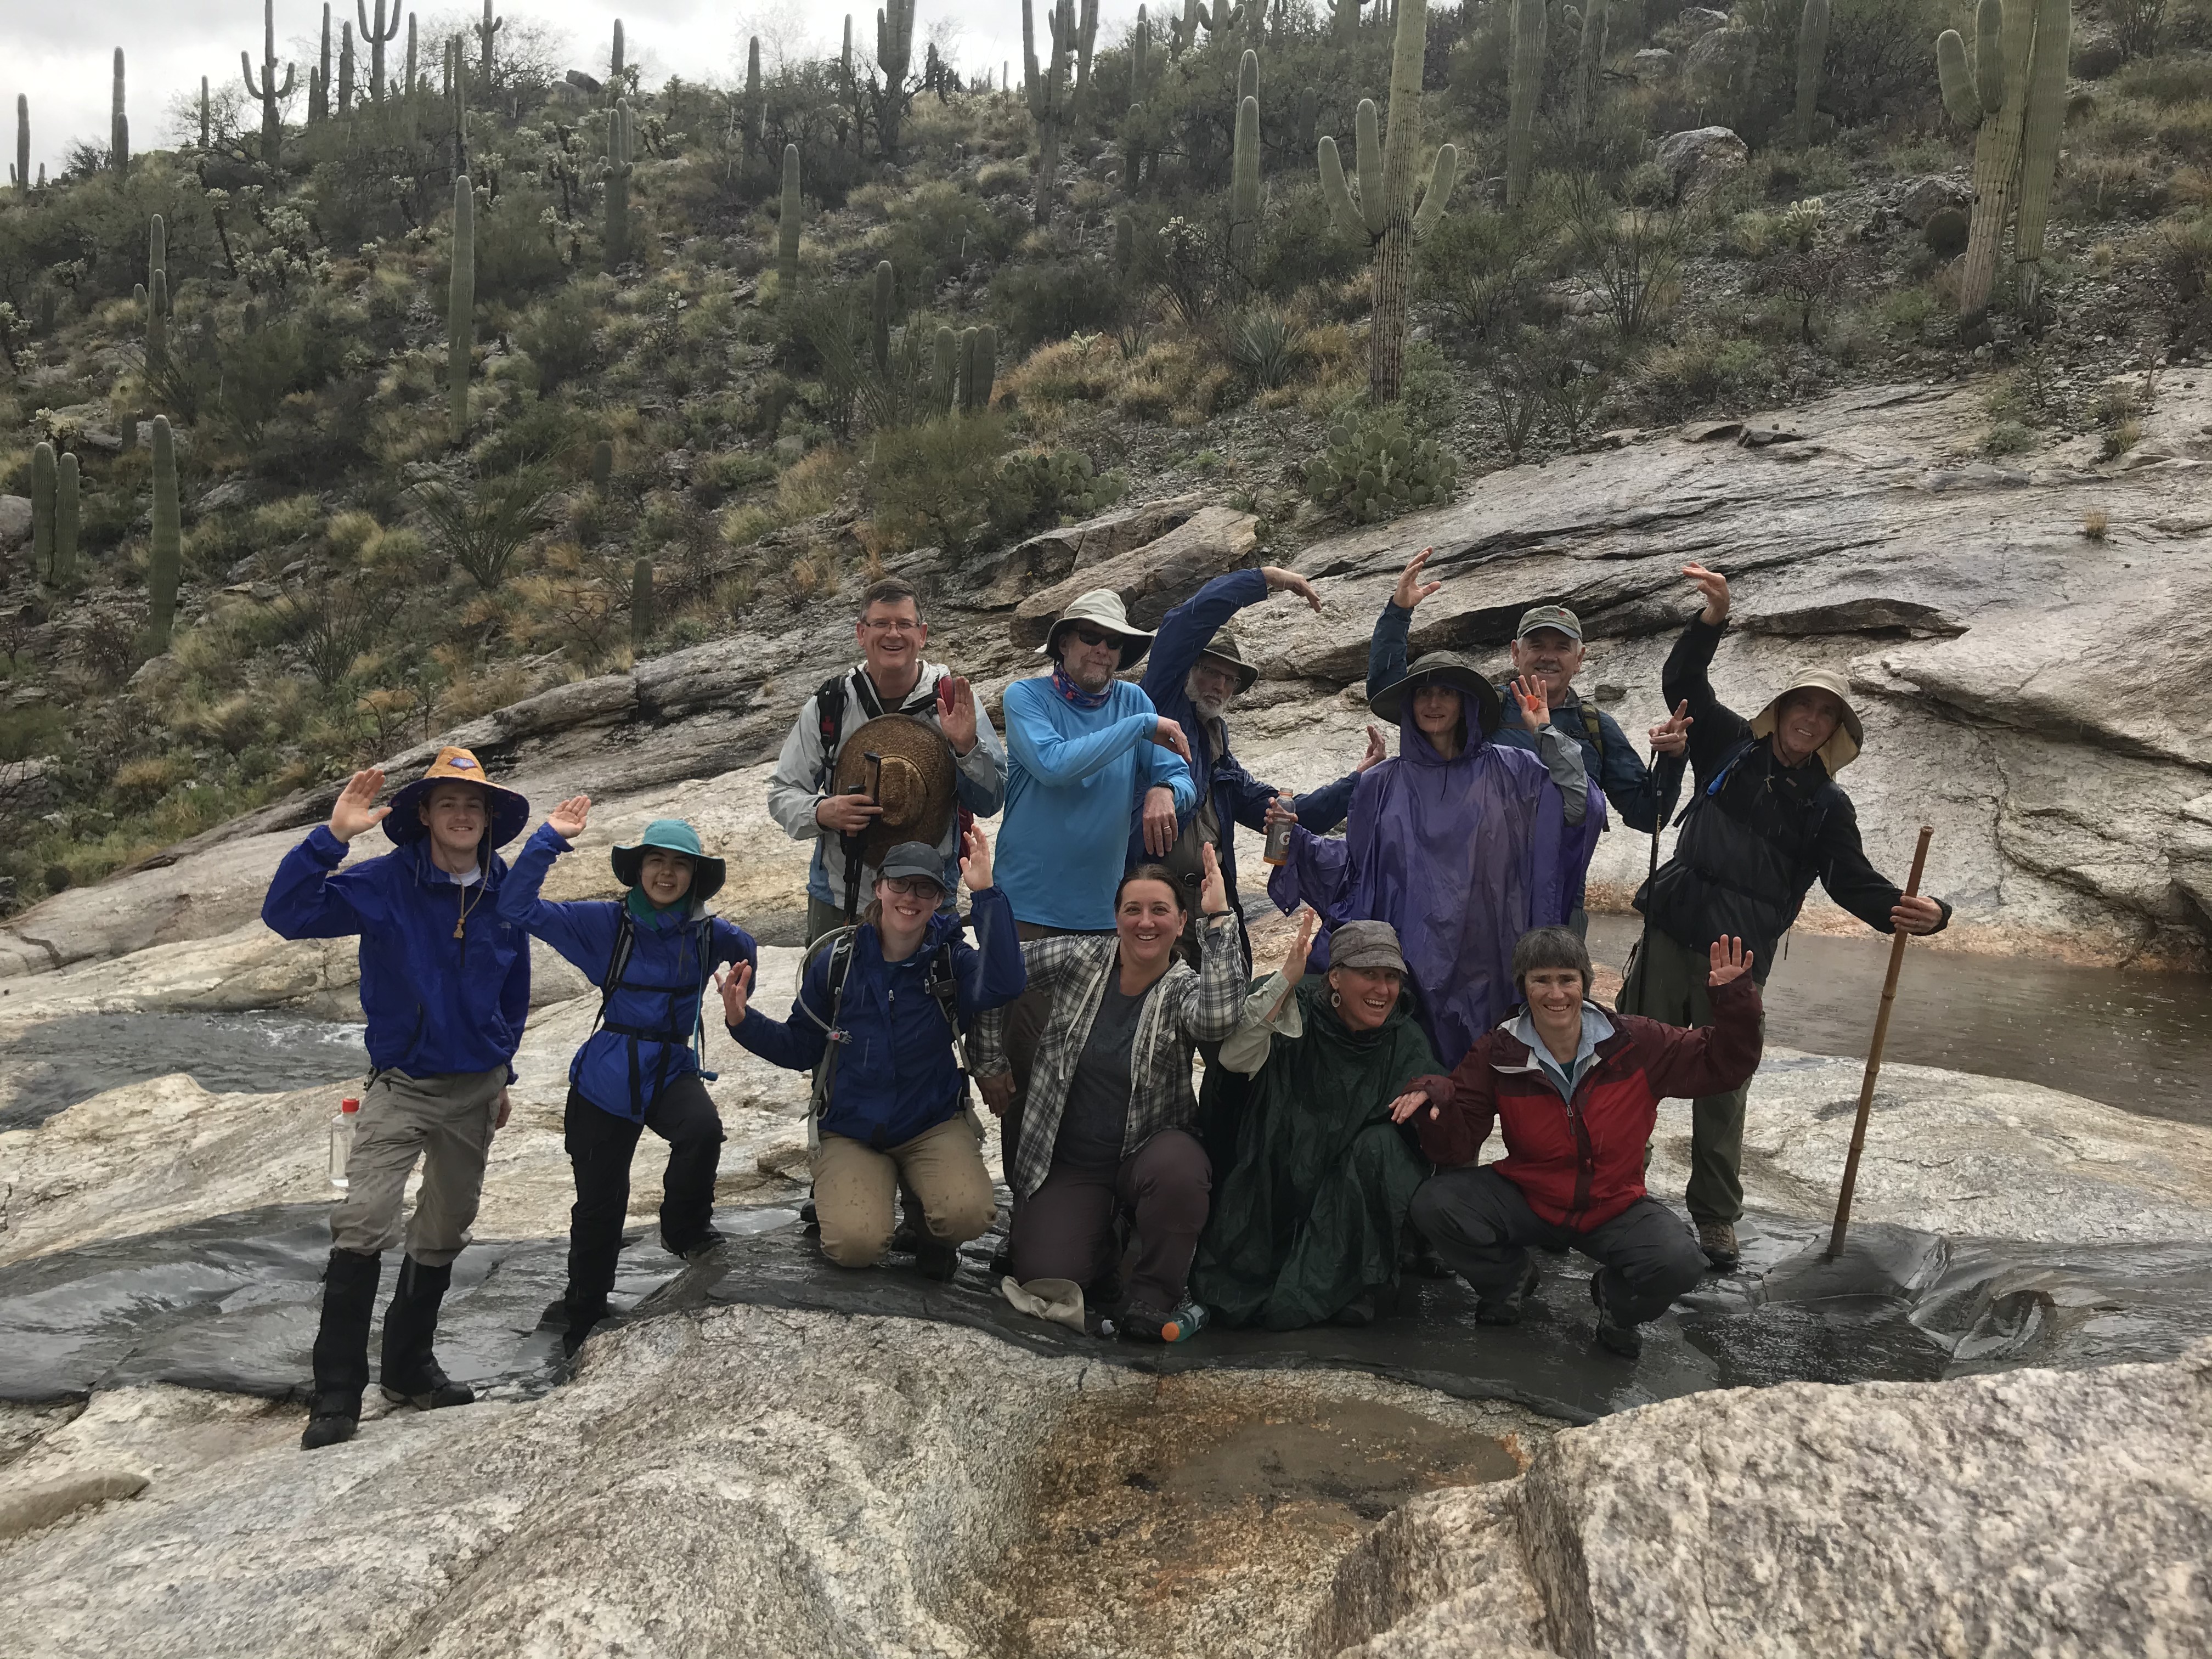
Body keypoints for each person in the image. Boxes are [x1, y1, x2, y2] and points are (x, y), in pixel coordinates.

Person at [1622, 561, 1951, 1269]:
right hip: (1672, 925)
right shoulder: (1727, 744)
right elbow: (1683, 683)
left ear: (1834, 730)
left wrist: (1925, 914)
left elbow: (1850, 881)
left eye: (1825, 713)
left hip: (1737, 954)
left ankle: (1715, 1217)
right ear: (1783, 709)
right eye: (1803, 705)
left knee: (1724, 1081)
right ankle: (1621, 1186)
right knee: (1633, 1062)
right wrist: (1712, 620)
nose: (1810, 718)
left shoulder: (1828, 805)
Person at [261, 747, 531, 1450]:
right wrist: (332, 836)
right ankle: (336, 1397)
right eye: (450, 804)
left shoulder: (505, 887)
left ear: (490, 819)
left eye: (475, 805)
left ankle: (409, 1371)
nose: (464, 816)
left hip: (476, 1087)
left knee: (445, 1230)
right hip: (402, 1085)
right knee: (363, 1221)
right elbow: (287, 913)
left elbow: (514, 986)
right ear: (425, 816)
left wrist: (505, 1071)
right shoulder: (386, 883)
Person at [1266, 576, 1601, 1070]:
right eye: (1422, 692)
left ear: (1467, 704)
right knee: (1406, 1077)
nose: (1433, 702)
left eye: (1447, 692)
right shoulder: (1380, 783)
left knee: (1474, 1088)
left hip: (1486, 954)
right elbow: (1357, 867)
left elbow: (1580, 809)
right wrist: (1295, 841)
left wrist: (1546, 733)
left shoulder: (1513, 770)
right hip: (1405, 957)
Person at [1392, 926, 1763, 1358]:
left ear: (1584, 984)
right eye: (1541, 980)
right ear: (1523, 987)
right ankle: (1509, 1279)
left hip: (1614, 1203)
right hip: (1530, 1195)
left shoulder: (1634, 1042)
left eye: (1567, 979)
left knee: (1680, 1261)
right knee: (1436, 1204)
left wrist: (1734, 1003)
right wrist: (1437, 1100)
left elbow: (1723, 1065)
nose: (1555, 994)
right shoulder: (1501, 1051)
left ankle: (1616, 1303)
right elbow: (1454, 1148)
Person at [496, 802, 758, 1356]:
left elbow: (747, 956)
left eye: (679, 865)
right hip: (605, 1078)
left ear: (695, 877)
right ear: (637, 869)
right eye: (655, 862)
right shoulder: (602, 925)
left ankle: (684, 1230)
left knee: (702, 1131)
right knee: (601, 1204)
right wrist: (548, 838)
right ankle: (584, 1311)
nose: (666, 873)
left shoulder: (711, 933)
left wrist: (741, 993)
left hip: (670, 1070)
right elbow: (515, 905)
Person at [723, 830, 1024, 1278]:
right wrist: (743, 1022)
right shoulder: (837, 962)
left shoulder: (949, 960)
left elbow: (1006, 982)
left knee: (969, 1215)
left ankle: (927, 1221)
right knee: (855, 1246)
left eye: (926, 888)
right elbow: (802, 1045)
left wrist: (985, 895)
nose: (910, 897)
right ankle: (865, 1192)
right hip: (852, 1129)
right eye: (900, 883)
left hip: (930, 1123)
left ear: (939, 899)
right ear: (880, 887)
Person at [973, 844, 1243, 1342]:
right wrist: (989, 1062)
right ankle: (1109, 1237)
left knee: (1181, 1171)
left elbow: (1221, 1018)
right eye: (1133, 910)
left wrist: (1220, 918)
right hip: (1071, 1161)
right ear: (1115, 917)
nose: (1146, 922)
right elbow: (994, 971)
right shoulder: (1082, 957)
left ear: (1180, 923)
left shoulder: (1183, 988)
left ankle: (1154, 1294)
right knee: (1047, 1275)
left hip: (1150, 1153)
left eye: (1160, 910)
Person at [984, 587, 1199, 1168]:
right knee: (1028, 1064)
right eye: (1091, 637)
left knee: (1098, 1062)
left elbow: (1185, 776)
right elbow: (1054, 765)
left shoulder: (1133, 703)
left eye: (1114, 642)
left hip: (1106, 922)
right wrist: (1139, 730)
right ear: (1062, 644)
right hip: (1028, 915)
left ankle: (1089, 1195)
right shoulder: (1024, 697)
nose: (1103, 650)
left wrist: (1162, 788)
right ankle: (1027, 1210)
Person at [1369, 549, 1693, 933]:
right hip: (1476, 891)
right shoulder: (1482, 710)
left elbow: (1647, 816)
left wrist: (1674, 757)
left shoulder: (1595, 728)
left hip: (1560, 895)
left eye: (1562, 647)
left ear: (1580, 658)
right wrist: (1398, 614)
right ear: (1515, 652)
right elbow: (1394, 695)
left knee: (1551, 993)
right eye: (1537, 645)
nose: (1548, 657)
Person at [1189, 915, 1438, 1330]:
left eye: (1392, 977)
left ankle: (1356, 1279)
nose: (1383, 990)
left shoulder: (1404, 1037)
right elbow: (1233, 1058)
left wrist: (1438, 1092)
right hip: (1277, 1166)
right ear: (1336, 978)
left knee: (1383, 1147)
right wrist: (1285, 978)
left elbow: (1436, 1128)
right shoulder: (1293, 1005)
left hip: (1348, 1182)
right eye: (1369, 975)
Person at [1131, 565, 1386, 952]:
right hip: (1151, 913)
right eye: (1211, 671)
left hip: (1209, 915)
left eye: (1230, 679)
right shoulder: (1159, 707)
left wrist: (1357, 780)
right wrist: (1266, 579)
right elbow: (1184, 625)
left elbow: (1295, 816)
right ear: (1188, 670)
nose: (1220, 685)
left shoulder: (1219, 753)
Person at [768, 575, 1006, 943]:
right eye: (881, 624)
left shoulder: (953, 700)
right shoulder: (831, 705)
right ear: (861, 633)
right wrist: (822, 811)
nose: (893, 634)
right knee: (833, 998)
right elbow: (783, 793)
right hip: (843, 898)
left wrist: (965, 748)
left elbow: (991, 800)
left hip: (926, 897)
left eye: (904, 624)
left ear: (922, 634)